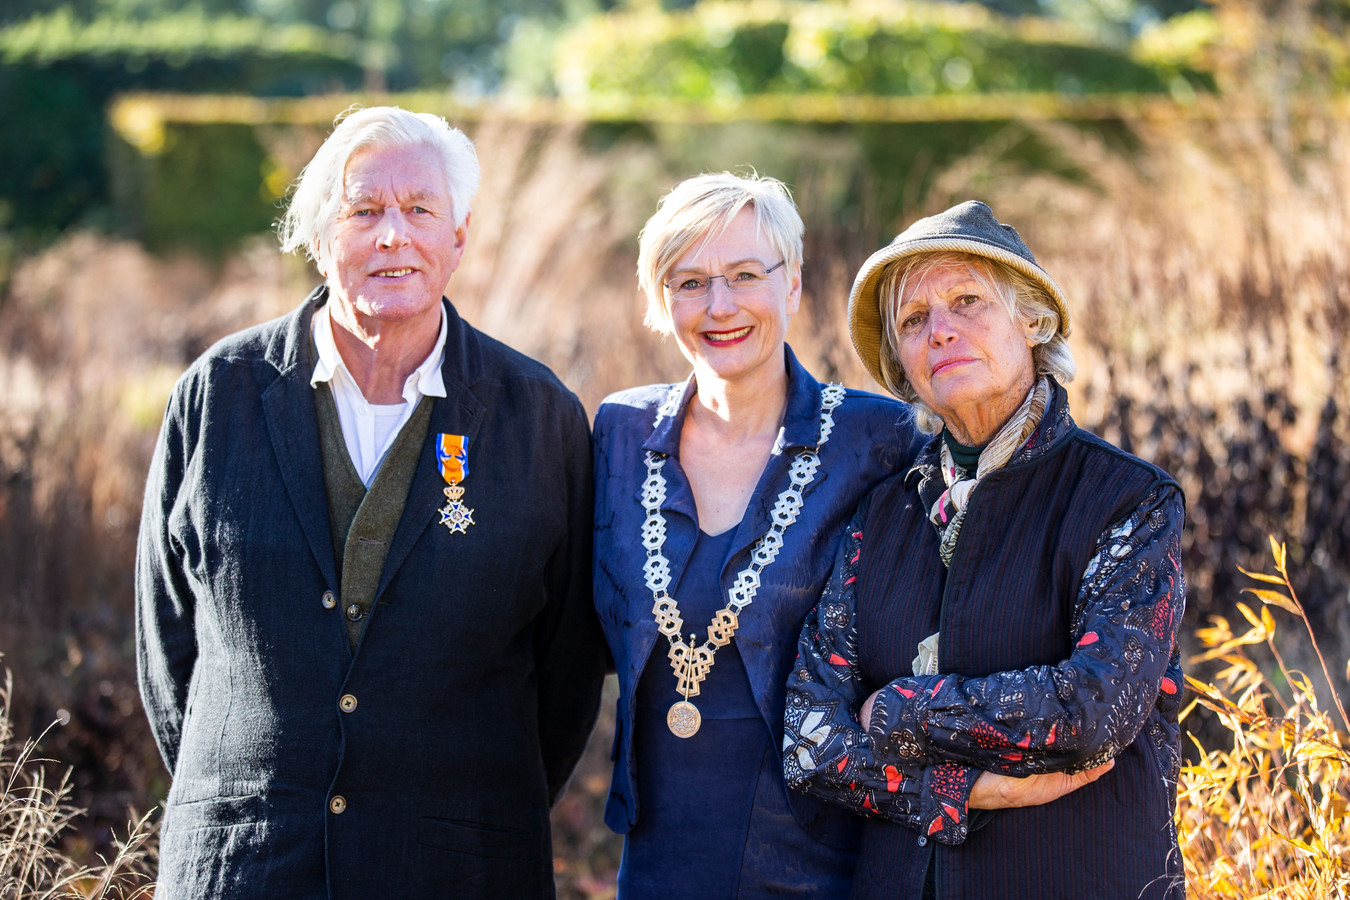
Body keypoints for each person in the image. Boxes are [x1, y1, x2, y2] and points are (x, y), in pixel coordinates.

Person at [135, 106, 605, 899]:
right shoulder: (218, 395)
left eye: (420, 210)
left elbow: (566, 676)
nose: (394, 234)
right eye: (363, 211)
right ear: (320, 236)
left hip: (460, 871)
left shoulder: (539, 416)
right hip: (245, 868)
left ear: (459, 237)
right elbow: (165, 643)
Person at [783, 201, 1186, 899]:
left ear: (1031, 321)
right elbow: (810, 742)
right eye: (913, 321)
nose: (940, 331)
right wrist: (965, 788)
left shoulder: (1126, 500)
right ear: (903, 365)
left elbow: (1095, 709)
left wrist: (903, 710)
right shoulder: (882, 515)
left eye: (967, 301)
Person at [591, 171, 925, 897]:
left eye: (745, 275)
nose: (720, 306)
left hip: (820, 855)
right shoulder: (618, 431)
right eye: (689, 281)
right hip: (658, 855)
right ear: (659, 298)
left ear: (793, 285)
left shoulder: (878, 438)